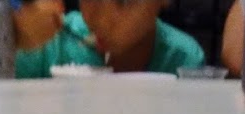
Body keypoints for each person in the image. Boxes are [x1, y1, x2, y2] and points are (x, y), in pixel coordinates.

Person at [14, 0, 205, 78]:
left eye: (125, 2)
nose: (103, 21)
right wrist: (13, 35)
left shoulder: (182, 61)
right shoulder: (47, 46)